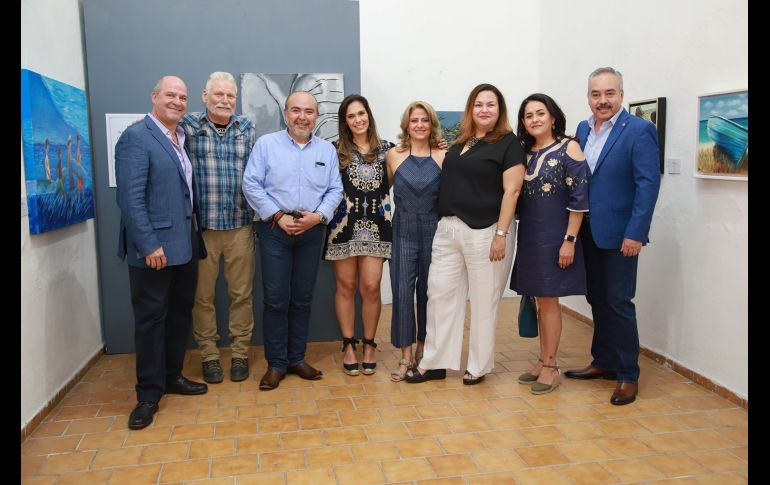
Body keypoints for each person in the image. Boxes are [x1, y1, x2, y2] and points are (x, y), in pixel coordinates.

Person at [406, 83, 526, 385]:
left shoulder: (509, 143)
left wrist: (501, 233)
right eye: (478, 104)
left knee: (485, 301)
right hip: (448, 229)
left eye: (491, 104)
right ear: (470, 109)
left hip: (487, 232)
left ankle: (479, 366)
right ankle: (435, 363)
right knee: (439, 295)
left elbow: (512, 190)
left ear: (500, 110)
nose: (484, 109)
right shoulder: (460, 142)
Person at [115, 75, 209, 430]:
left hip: (183, 246)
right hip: (153, 250)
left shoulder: (179, 137)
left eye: (183, 97)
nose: (177, 101)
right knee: (151, 321)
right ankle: (148, 395)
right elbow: (130, 198)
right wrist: (149, 243)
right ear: (154, 96)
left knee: (178, 316)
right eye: (170, 95)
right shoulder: (136, 137)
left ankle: (172, 376)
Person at [564, 67, 661, 405]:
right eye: (595, 94)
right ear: (588, 96)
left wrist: (636, 233)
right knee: (596, 298)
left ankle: (627, 375)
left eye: (609, 93)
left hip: (621, 234)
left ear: (621, 94)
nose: (602, 100)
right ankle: (603, 362)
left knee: (619, 302)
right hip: (587, 231)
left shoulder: (640, 130)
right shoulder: (581, 128)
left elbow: (647, 185)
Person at [242, 91, 343, 391]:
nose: (302, 116)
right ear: (285, 113)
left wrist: (319, 216)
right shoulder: (266, 145)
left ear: (316, 115)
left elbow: (335, 190)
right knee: (275, 300)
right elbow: (251, 184)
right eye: (296, 110)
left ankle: (296, 358)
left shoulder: (326, 150)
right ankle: (276, 364)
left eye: (309, 111)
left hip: (311, 231)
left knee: (302, 297)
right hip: (275, 230)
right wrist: (277, 216)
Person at [510, 93, 589, 395]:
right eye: (528, 115)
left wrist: (569, 240)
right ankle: (543, 360)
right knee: (540, 300)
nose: (534, 120)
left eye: (540, 113)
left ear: (553, 116)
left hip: (557, 237)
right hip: (530, 236)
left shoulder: (569, 147)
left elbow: (580, 200)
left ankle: (552, 367)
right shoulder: (525, 152)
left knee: (550, 301)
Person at [181, 72, 257, 384]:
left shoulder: (247, 128)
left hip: (240, 226)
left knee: (242, 295)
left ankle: (240, 353)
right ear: (205, 96)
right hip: (203, 227)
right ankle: (210, 356)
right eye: (219, 95)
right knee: (203, 298)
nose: (225, 101)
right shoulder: (188, 126)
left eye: (230, 96)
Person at [323, 94, 394, 376]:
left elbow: (414, 164)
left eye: (361, 113)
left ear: (369, 115)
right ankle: (349, 344)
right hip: (343, 227)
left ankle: (369, 344)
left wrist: (440, 145)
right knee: (345, 286)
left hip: (377, 226)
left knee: (371, 287)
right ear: (345, 121)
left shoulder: (388, 150)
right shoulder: (333, 151)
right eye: (351, 116)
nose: (358, 120)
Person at [387, 101, 446, 382]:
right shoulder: (394, 156)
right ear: (406, 125)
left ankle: (425, 352)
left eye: (424, 120)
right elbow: (379, 193)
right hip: (402, 230)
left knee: (429, 295)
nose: (420, 125)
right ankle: (405, 356)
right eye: (414, 121)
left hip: (435, 232)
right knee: (401, 294)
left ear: (431, 124)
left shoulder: (443, 156)